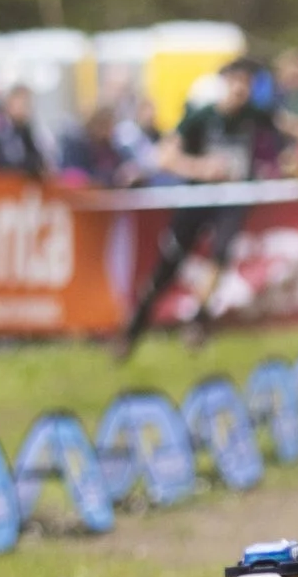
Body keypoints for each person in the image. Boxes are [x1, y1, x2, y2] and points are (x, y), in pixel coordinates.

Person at [120, 57, 282, 355]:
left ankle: (199, 319)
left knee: (221, 253)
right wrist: (201, 168)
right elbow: (164, 157)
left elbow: (290, 126)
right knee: (169, 266)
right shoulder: (200, 117)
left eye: (246, 83)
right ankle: (135, 326)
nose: (240, 90)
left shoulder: (253, 115)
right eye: (236, 82)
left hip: (231, 199)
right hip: (196, 199)